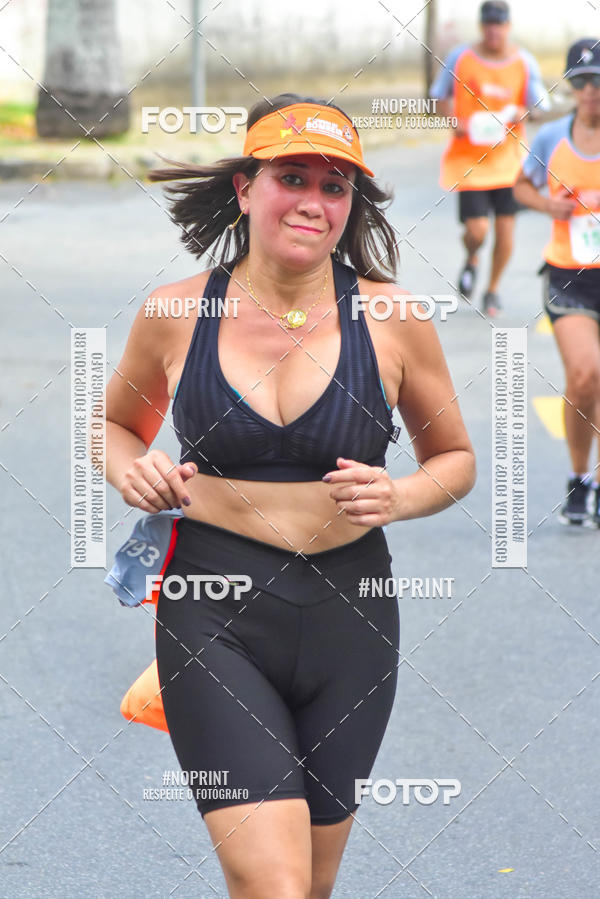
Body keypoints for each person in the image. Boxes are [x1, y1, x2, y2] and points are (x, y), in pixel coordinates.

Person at [105, 92, 476, 898]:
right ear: (246, 187)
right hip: (213, 610)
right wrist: (130, 468)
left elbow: (453, 458)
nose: (313, 200)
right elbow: (116, 426)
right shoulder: (176, 311)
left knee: (309, 884)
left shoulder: (393, 317)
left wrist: (400, 495)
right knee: (273, 883)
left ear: (350, 205)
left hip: (352, 619)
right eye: (292, 177)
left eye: (334, 186)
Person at [514, 39, 600, 527]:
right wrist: (549, 205)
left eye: (598, 81)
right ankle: (578, 477)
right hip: (571, 275)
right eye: (581, 82)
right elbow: (520, 185)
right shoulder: (551, 138)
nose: (590, 91)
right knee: (585, 375)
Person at [430, 0, 549, 316]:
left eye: (499, 25)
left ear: (508, 26)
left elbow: (540, 105)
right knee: (478, 230)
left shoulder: (524, 61)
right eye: (489, 25)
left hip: (509, 161)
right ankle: (472, 256)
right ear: (482, 26)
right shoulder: (461, 57)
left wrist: (525, 112)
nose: (494, 31)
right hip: (470, 161)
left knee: (506, 231)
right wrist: (453, 121)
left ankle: (492, 289)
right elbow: (439, 95)